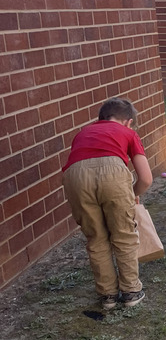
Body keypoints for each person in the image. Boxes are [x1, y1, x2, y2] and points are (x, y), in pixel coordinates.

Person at [62, 98, 153, 310]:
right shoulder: (129, 133)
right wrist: (131, 194)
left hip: (75, 175)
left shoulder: (83, 133)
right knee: (123, 234)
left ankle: (108, 296)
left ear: (100, 119)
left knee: (96, 236)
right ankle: (131, 291)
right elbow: (146, 179)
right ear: (129, 122)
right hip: (112, 172)